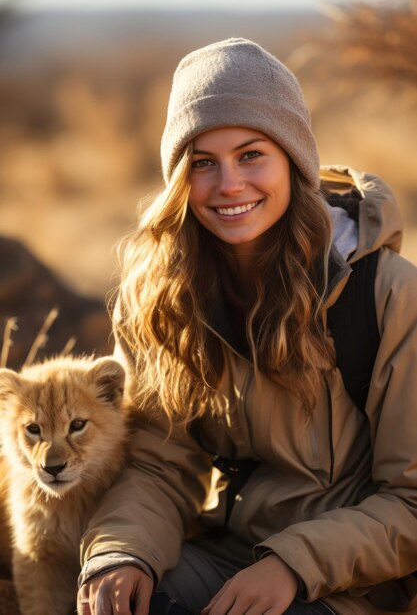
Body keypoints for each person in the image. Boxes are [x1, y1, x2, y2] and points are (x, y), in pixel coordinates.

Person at [76, 38, 417, 615]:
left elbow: (411, 500)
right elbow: (160, 462)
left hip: (350, 584)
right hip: (228, 554)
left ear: (295, 158)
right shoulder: (162, 296)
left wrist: (292, 565)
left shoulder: (387, 295)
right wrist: (121, 553)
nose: (229, 184)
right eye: (203, 163)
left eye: (251, 154)